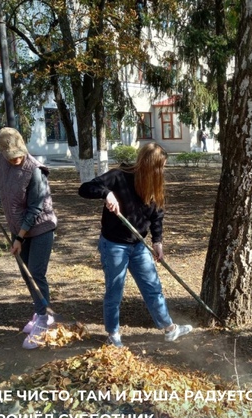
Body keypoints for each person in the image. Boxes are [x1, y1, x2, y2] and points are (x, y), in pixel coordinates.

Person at [78, 142, 192, 347]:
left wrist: (157, 241)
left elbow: (157, 216)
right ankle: (113, 335)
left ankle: (169, 329)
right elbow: (85, 189)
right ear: (149, 165)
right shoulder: (118, 176)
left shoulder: (154, 184)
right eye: (160, 167)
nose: (162, 171)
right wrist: (107, 193)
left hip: (138, 246)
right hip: (114, 246)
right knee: (115, 291)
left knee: (152, 287)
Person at [0, 127, 58, 350]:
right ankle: (40, 311)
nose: (16, 160)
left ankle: (44, 321)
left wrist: (19, 238)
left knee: (36, 272)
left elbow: (36, 208)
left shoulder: (34, 170)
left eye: (19, 155)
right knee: (25, 272)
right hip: (18, 228)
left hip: (40, 227)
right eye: (11, 157)